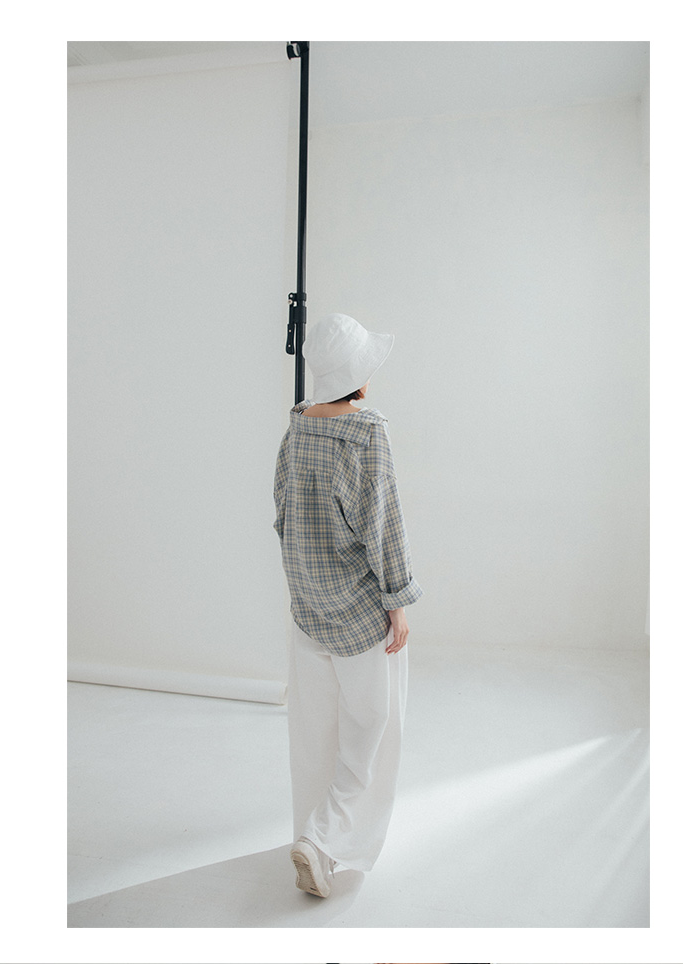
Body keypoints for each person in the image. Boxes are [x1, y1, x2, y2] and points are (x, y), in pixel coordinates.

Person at [273, 312, 423, 898]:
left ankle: (315, 840)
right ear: (358, 376)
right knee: (371, 730)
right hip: (359, 612)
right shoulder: (366, 434)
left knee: (314, 731)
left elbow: (282, 510)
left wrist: (305, 577)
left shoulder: (297, 427)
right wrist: (397, 601)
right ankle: (323, 840)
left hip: (307, 607)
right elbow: (383, 523)